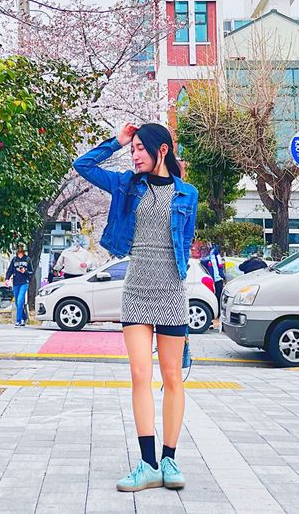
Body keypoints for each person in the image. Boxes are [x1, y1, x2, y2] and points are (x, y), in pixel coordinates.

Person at [74, 122, 198, 493]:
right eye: (133, 149)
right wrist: (119, 140)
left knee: (173, 378)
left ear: (162, 150)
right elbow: (84, 166)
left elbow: (185, 242)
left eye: (141, 148)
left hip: (172, 291)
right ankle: (147, 464)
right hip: (136, 290)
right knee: (140, 376)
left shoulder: (186, 194)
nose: (135, 155)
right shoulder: (127, 185)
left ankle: (169, 459)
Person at [5, 244, 33, 327]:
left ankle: (18, 320)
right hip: (16, 282)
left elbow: (31, 272)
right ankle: (24, 317)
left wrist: (25, 271)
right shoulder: (14, 260)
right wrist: (7, 278)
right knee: (17, 302)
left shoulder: (27, 259)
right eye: (18, 248)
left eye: (21, 248)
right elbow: (10, 270)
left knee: (20, 300)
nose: (20, 249)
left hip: (24, 282)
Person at [201, 244, 226, 323]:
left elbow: (220, 266)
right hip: (210, 280)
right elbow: (203, 262)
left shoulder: (216, 256)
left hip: (218, 279)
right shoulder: (205, 257)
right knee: (212, 297)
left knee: (219, 297)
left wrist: (222, 276)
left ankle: (219, 314)